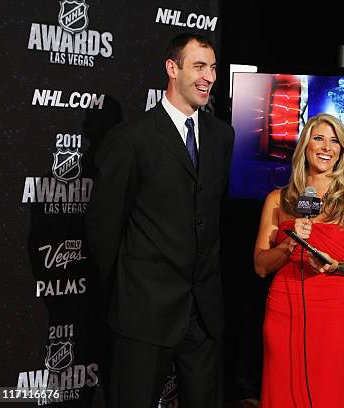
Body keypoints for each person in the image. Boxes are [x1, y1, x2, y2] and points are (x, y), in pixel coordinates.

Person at [86, 33, 234, 408]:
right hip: (143, 313)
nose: (209, 77)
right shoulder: (131, 138)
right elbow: (103, 230)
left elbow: (214, 218)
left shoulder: (221, 136)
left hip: (203, 316)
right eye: (199, 66)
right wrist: (126, 295)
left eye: (213, 67)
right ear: (172, 68)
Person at [254, 113, 344, 407]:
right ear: (305, 146)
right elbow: (260, 266)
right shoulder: (277, 200)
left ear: (342, 151)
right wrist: (289, 242)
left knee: (323, 391)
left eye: (335, 141)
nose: (326, 147)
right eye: (319, 138)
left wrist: (339, 267)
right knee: (280, 389)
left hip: (330, 312)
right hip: (283, 308)